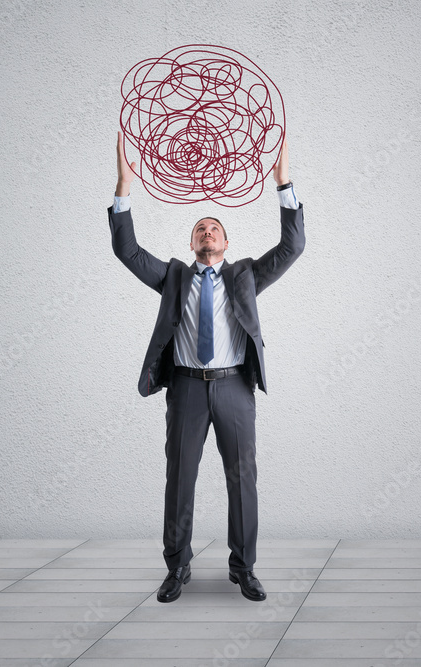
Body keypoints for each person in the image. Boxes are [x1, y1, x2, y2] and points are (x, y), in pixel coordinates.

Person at [108, 131, 305, 602]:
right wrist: (123, 188)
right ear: (191, 241)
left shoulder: (245, 275)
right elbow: (127, 252)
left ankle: (245, 568)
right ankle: (177, 569)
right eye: (200, 228)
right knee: (180, 479)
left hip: (235, 388)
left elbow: (292, 248)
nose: (207, 232)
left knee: (243, 479)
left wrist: (284, 186)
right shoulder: (173, 276)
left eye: (214, 228)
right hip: (187, 391)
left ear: (226, 240)